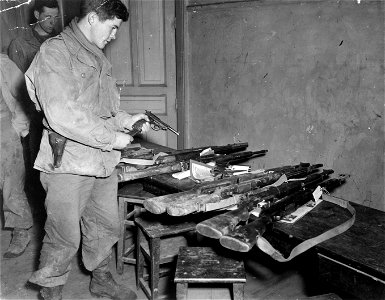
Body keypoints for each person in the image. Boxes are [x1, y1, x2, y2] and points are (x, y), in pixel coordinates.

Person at [24, 0, 150, 299]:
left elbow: (102, 110)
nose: (115, 35)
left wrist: (126, 119)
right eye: (113, 27)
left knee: (104, 225)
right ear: (93, 18)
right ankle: (51, 292)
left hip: (100, 162)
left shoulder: (97, 56)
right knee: (63, 234)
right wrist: (111, 138)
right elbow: (61, 114)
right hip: (68, 163)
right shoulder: (55, 52)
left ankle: (101, 279)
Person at [8, 0, 60, 203]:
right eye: (47, 16)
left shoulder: (61, 42)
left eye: (55, 17)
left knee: (55, 172)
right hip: (33, 117)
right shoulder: (19, 44)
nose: (52, 22)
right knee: (33, 172)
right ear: (37, 15)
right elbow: (15, 88)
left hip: (57, 116)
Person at [0, 54, 33, 258]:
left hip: (3, 126)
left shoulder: (3, 64)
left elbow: (25, 96)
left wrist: (18, 128)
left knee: (11, 181)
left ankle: (20, 229)